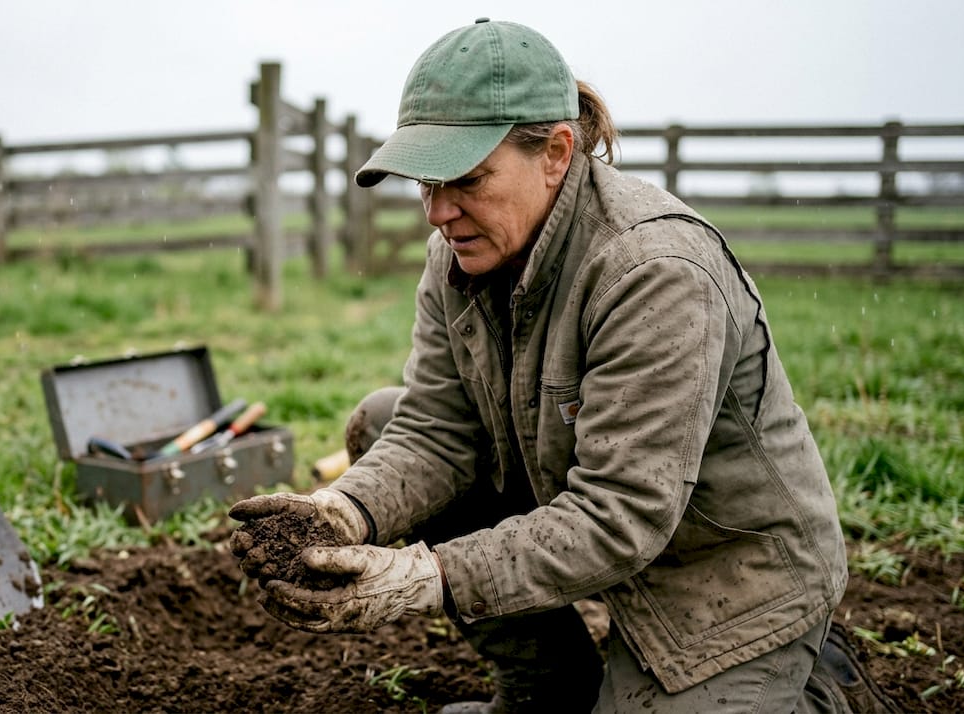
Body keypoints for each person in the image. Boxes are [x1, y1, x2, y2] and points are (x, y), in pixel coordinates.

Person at [230, 18, 897, 713]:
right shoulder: (461, 255)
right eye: (424, 183)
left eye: (465, 178)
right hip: (580, 507)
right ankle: (547, 689)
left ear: (555, 151)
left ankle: (819, 688)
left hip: (722, 574)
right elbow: (434, 428)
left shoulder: (655, 271)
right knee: (383, 419)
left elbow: (621, 514)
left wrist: (428, 574)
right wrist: (346, 510)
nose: (437, 211)